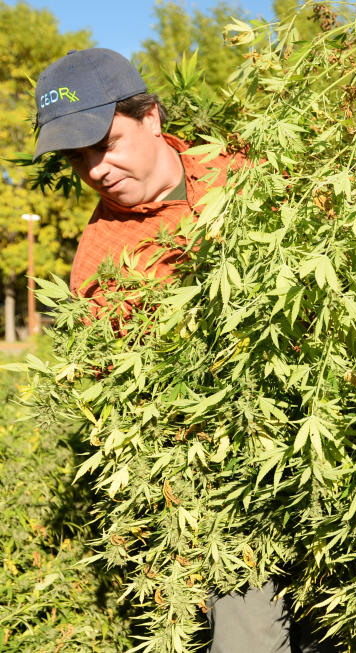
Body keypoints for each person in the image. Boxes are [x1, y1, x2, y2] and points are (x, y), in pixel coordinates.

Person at [33, 47, 324, 653]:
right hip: (231, 492)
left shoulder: (251, 170)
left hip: (337, 447)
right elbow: (123, 400)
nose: (95, 169)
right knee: (247, 642)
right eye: (78, 157)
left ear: (152, 118)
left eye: (105, 143)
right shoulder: (99, 266)